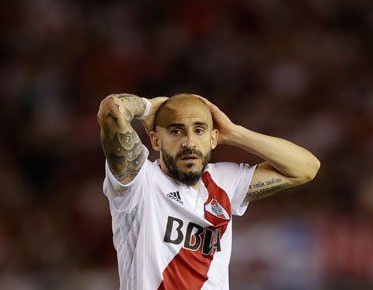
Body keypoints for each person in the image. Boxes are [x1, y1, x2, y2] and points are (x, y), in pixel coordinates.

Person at [97, 93, 320, 290]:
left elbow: (306, 169)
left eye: (199, 130)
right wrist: (147, 107)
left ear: (213, 138)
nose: (189, 142)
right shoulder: (139, 182)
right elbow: (111, 108)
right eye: (176, 131)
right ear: (156, 140)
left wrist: (235, 133)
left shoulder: (225, 182)